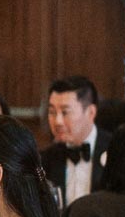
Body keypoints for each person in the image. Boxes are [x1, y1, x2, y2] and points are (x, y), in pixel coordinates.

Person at [41, 75, 110, 207]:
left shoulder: (114, 151)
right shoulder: (45, 159)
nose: (57, 121)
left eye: (65, 112)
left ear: (91, 112)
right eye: (52, 112)